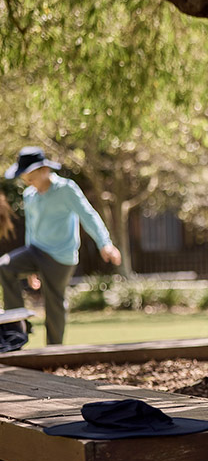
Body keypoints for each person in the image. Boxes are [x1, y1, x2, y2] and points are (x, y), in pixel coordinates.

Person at [1, 147, 122, 345]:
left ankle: (54, 351)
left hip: (60, 256)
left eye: (28, 173)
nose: (25, 178)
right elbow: (32, 228)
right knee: (5, 267)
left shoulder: (66, 189)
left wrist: (105, 244)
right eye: (23, 174)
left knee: (53, 302)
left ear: (44, 170)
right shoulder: (30, 195)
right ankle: (16, 332)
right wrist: (30, 267)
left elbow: (88, 215)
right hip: (35, 251)